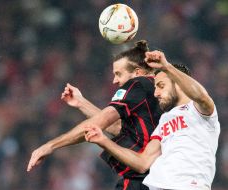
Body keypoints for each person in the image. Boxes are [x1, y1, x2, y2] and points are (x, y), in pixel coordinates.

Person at [27, 40, 162, 190]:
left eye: (119, 74)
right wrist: (81, 103)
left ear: (137, 72)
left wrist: (51, 145)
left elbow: (100, 122)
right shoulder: (155, 90)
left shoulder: (138, 84)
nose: (114, 80)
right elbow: (118, 127)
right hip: (156, 178)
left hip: (141, 180)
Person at [84, 50, 220, 190]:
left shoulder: (201, 111)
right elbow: (142, 162)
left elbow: (202, 96)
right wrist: (103, 141)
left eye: (161, 86)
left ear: (178, 84)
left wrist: (166, 66)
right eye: (155, 87)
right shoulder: (165, 119)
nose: (156, 93)